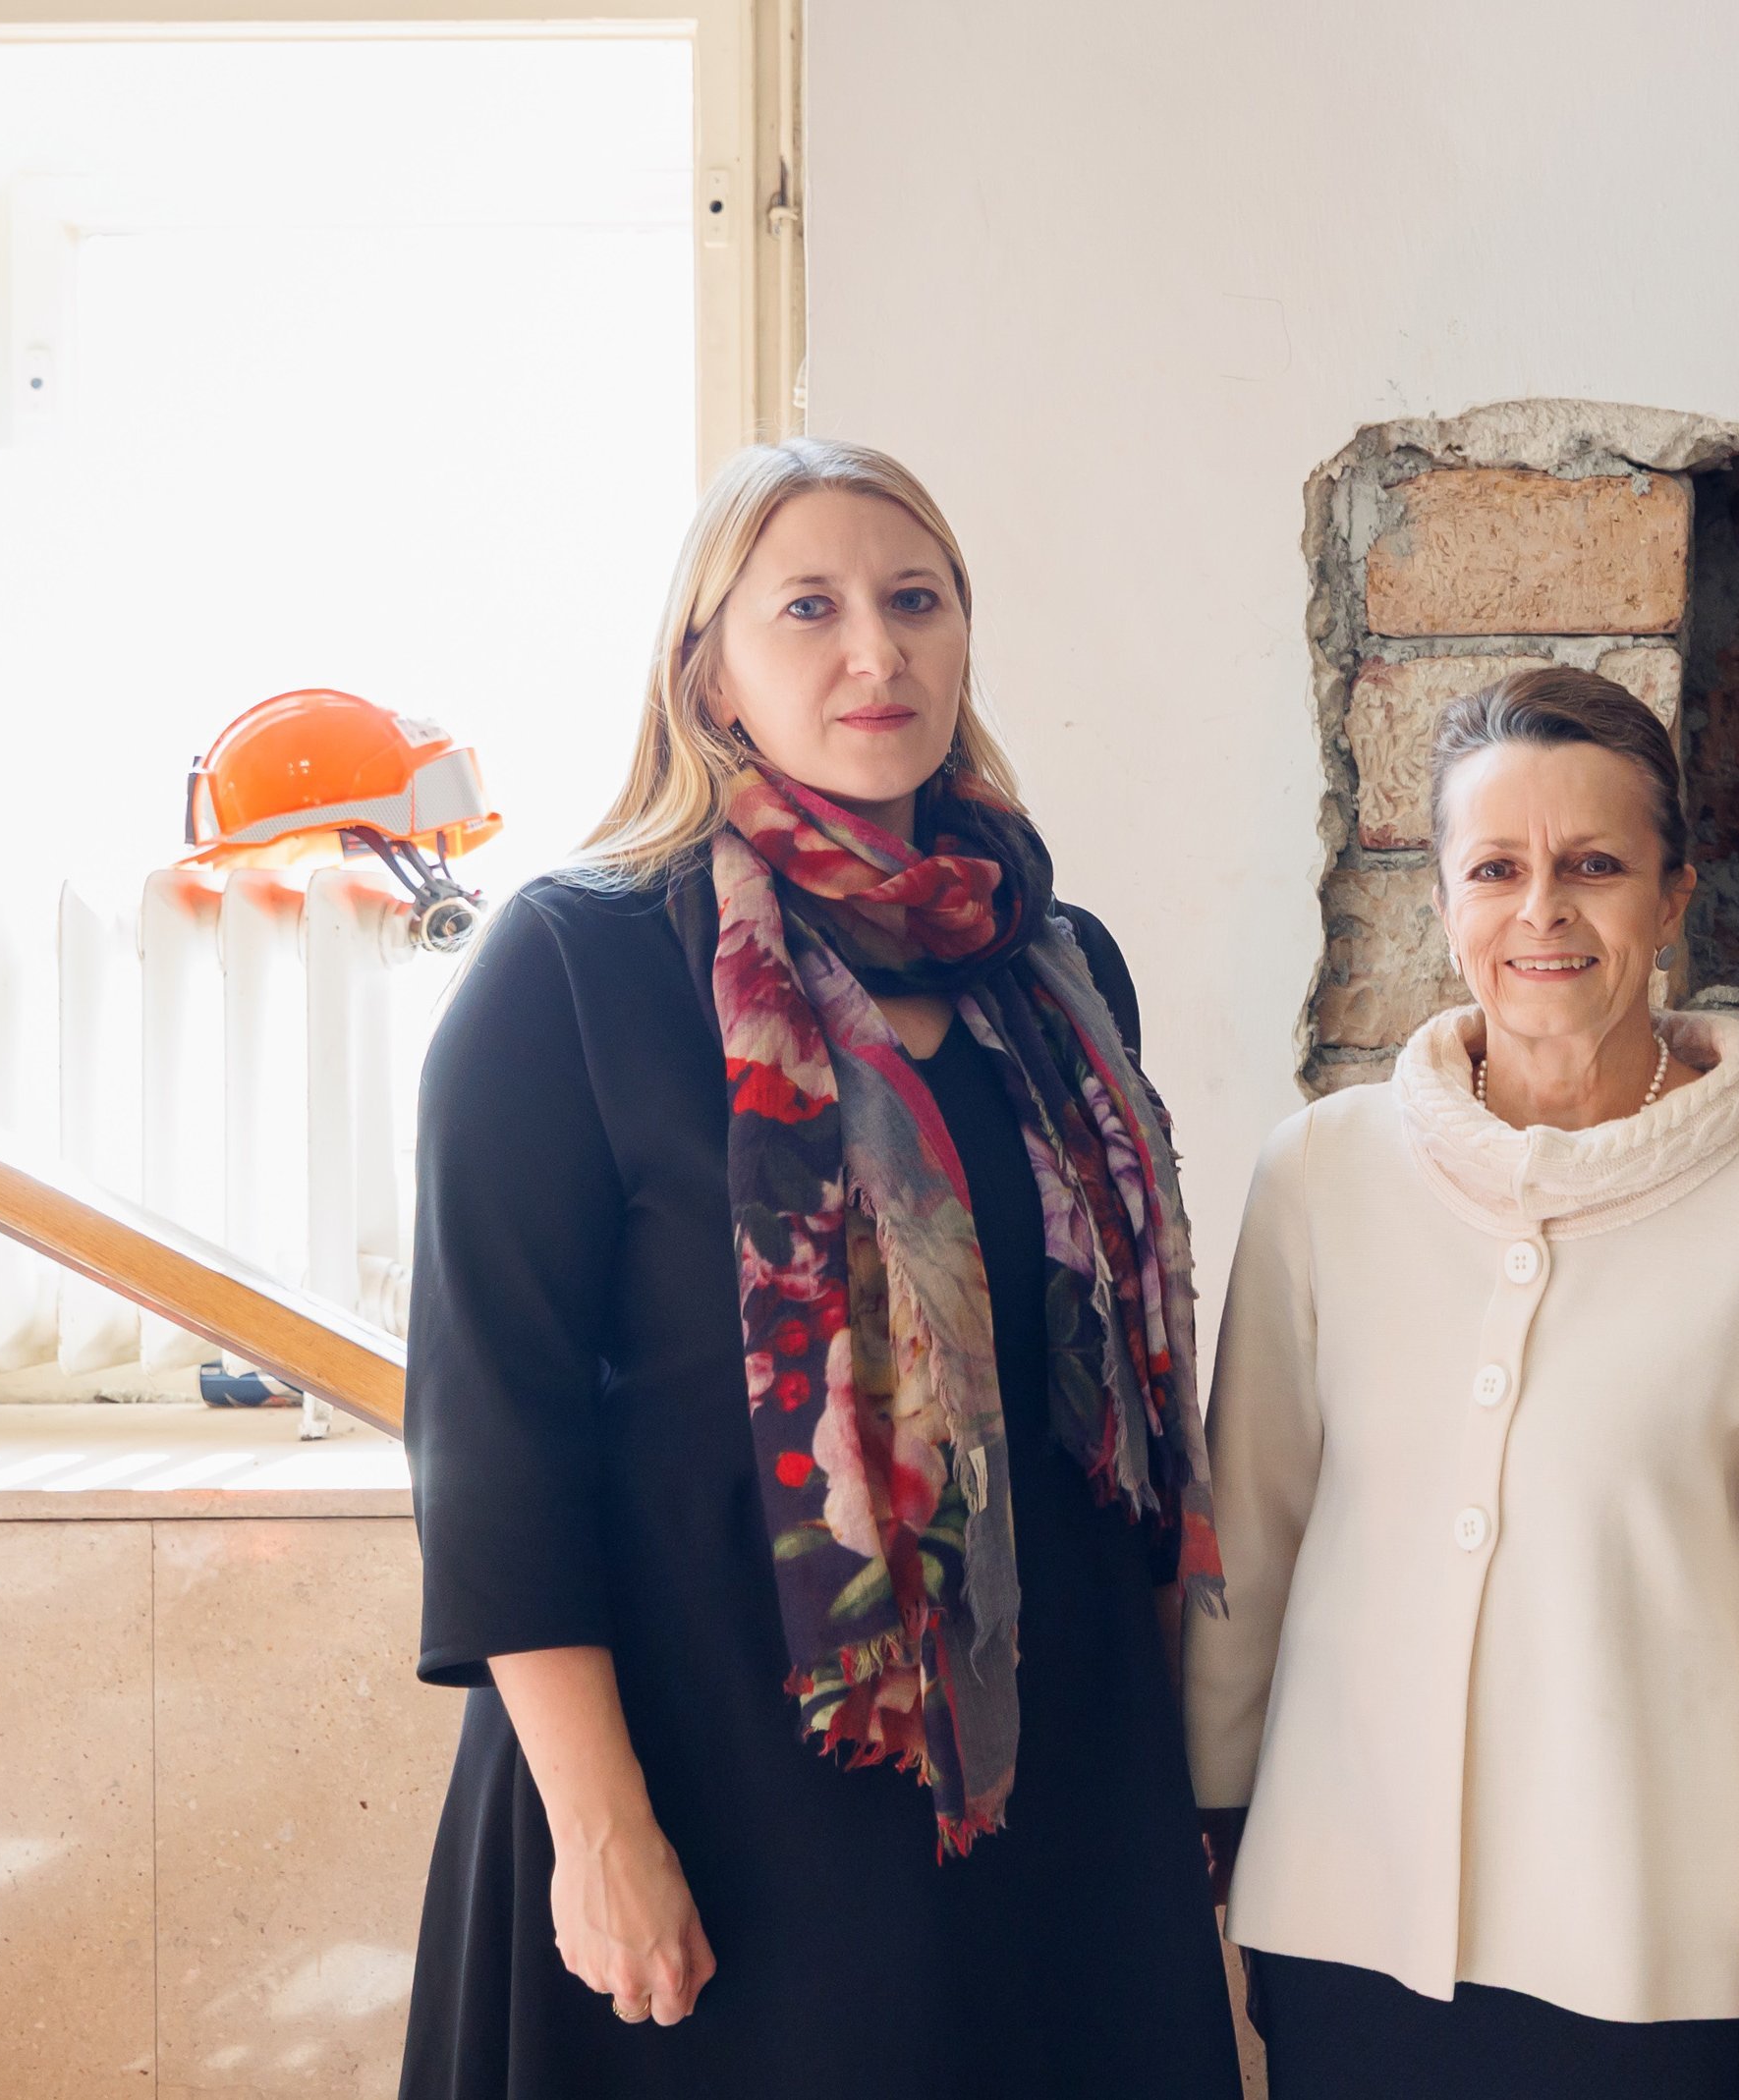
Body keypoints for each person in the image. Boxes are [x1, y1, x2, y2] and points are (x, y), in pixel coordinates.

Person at [395, 438, 1244, 2100]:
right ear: (707, 672)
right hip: (703, 1783)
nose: (879, 648)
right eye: (812, 607)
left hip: (1040, 1786)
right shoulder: (570, 965)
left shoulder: (1060, 974)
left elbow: (1110, 1426)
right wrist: (599, 1829)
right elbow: (490, 1437)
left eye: (915, 599)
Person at [1185, 667, 1739, 2100]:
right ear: (1443, 898)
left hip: (1659, 1961)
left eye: (1595, 866)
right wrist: (1205, 1865)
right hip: (1345, 1932)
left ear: (1674, 894)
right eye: (1497, 869)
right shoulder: (1320, 1173)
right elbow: (1246, 1552)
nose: (1544, 912)